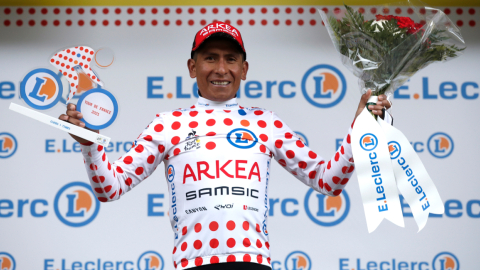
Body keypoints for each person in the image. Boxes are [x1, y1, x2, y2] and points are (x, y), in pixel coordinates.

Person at [59, 21, 392, 270]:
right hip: (192, 264)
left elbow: (328, 181)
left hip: (253, 262)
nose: (221, 69)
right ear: (192, 67)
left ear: (244, 70)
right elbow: (110, 188)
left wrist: (361, 126)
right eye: (210, 58)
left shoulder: (267, 123)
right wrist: (90, 145)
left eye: (231, 59)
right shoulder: (166, 125)